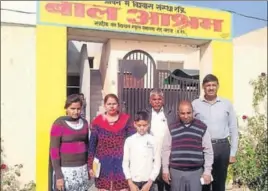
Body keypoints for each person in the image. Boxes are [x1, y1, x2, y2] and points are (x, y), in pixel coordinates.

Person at [192, 74, 239, 191]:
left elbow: (233, 128)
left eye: (213, 85)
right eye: (208, 85)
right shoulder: (195, 104)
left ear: (218, 86)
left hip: (222, 147)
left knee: (219, 182)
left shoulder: (226, 103)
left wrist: (233, 152)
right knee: (203, 181)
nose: (211, 88)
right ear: (203, 87)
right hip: (202, 148)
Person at [88, 93, 136, 191]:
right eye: (109, 104)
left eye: (114, 104)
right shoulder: (97, 122)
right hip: (102, 164)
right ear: (105, 105)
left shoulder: (126, 120)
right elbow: (92, 145)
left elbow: (133, 142)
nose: (112, 106)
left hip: (121, 163)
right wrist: (90, 166)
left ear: (118, 105)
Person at [162, 101, 214, 191]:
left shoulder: (202, 127)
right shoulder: (172, 127)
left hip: (196, 172)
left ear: (193, 112)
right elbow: (166, 150)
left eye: (188, 113)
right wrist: (165, 170)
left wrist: (207, 171)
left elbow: (208, 151)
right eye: (182, 113)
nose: (186, 116)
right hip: (176, 172)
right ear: (178, 113)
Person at [49, 94, 90, 191]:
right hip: (65, 172)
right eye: (72, 108)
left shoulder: (84, 123)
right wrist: (59, 176)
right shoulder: (59, 123)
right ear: (66, 108)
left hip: (81, 171)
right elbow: (54, 151)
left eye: (78, 109)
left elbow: (87, 146)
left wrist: (88, 168)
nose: (76, 112)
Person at [144, 89, 177, 191]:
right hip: (150, 153)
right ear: (150, 100)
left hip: (166, 153)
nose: (157, 101)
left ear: (163, 100)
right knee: (152, 181)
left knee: (166, 180)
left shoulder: (170, 113)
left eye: (159, 99)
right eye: (154, 99)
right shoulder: (146, 113)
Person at [122, 111, 161, 191]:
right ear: (135, 124)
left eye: (144, 125)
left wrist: (149, 183)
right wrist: (130, 183)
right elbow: (125, 163)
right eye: (139, 125)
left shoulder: (153, 140)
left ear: (149, 124)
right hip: (133, 182)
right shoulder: (129, 141)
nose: (142, 128)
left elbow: (157, 163)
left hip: (149, 182)